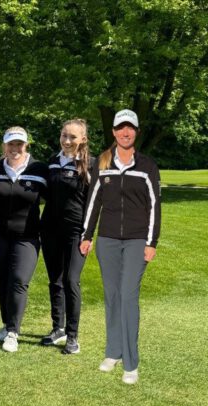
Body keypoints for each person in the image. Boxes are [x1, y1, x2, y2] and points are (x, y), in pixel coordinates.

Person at [80, 109, 160, 385]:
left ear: (136, 132)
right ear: (114, 132)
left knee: (127, 296)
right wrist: (87, 235)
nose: (126, 132)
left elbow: (154, 206)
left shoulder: (147, 166)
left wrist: (151, 242)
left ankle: (131, 362)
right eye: (121, 128)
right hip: (108, 240)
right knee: (112, 296)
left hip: (138, 240)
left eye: (131, 128)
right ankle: (113, 352)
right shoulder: (103, 164)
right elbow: (93, 202)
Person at [0, 127, 48, 352]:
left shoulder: (39, 169)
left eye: (19, 144)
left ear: (26, 145)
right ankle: (6, 324)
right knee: (4, 280)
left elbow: (56, 197)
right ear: (4, 145)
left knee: (19, 280)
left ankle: (13, 332)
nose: (15, 148)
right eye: (11, 144)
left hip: (27, 235)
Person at [39, 119, 93, 355]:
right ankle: (57, 328)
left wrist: (89, 234)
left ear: (83, 139)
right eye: (64, 135)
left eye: (72, 137)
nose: (67, 141)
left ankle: (72, 336)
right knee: (56, 280)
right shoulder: (52, 161)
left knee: (71, 280)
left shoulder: (91, 165)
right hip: (50, 229)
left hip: (76, 231)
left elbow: (95, 203)